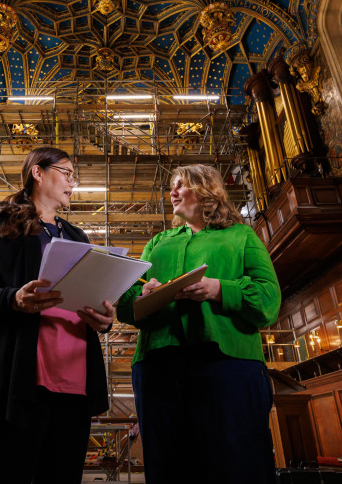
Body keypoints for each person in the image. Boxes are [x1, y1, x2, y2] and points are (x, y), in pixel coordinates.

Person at [0, 146, 116, 484]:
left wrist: (103, 320)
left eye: (75, 177)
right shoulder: (1, 222)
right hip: (18, 375)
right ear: (37, 173)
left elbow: (89, 301)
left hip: (74, 378)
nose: (73, 183)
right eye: (67, 173)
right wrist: (14, 298)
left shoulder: (77, 236)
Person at [116, 164, 281, 484]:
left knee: (234, 462)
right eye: (171, 186)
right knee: (168, 465)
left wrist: (220, 289)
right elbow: (127, 304)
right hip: (158, 365)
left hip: (227, 363)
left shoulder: (240, 236)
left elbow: (269, 300)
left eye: (181, 185)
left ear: (207, 190)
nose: (172, 192)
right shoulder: (158, 242)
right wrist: (143, 293)